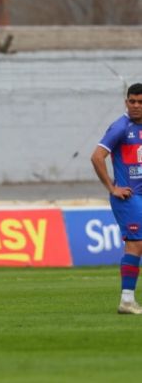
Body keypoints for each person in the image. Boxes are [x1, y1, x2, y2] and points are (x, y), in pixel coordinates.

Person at [91, 83, 142, 315]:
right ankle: (127, 300)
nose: (135, 106)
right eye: (132, 101)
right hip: (129, 197)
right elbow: (97, 157)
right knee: (135, 244)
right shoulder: (120, 127)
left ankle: (128, 300)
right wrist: (112, 188)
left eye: (140, 102)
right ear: (126, 102)